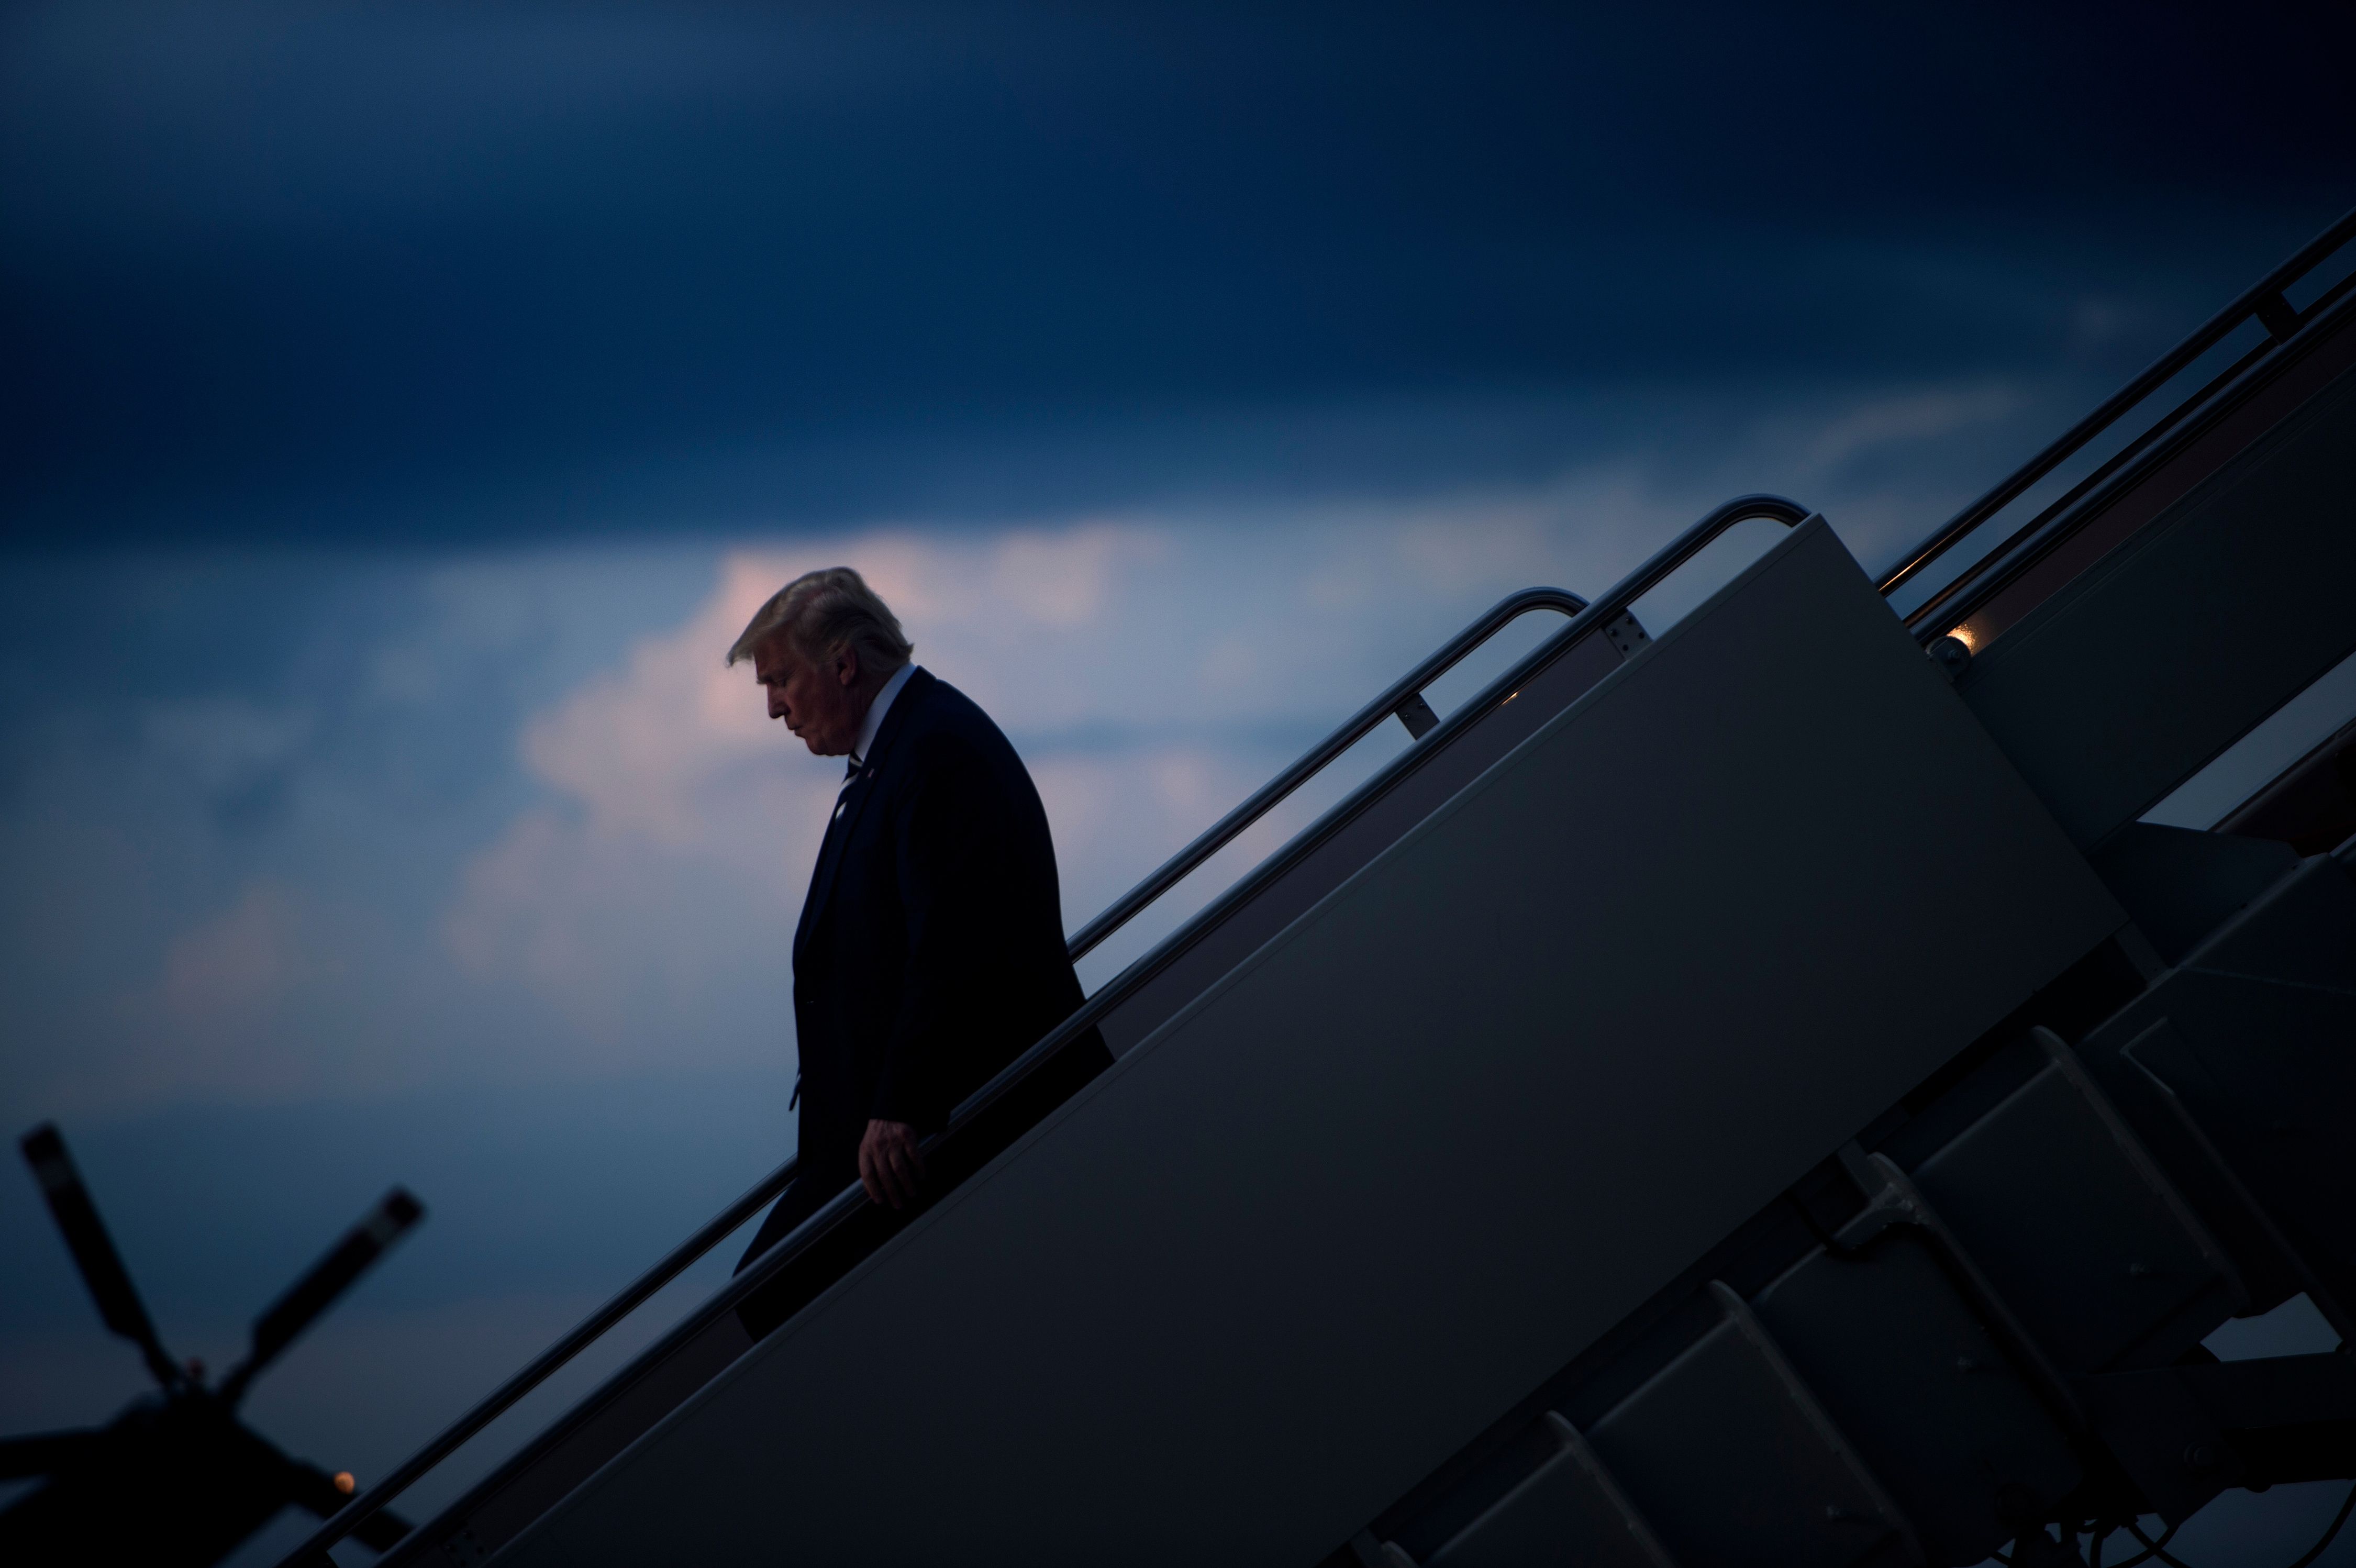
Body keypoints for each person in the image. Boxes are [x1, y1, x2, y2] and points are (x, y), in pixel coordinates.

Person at [728, 568, 1100, 1271]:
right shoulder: (899, 750)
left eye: (780, 681)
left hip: (938, 1130)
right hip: (888, 1135)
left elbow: (951, 945)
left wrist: (903, 1104)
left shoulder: (933, 750)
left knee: (770, 1293)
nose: (774, 708)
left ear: (843, 666)